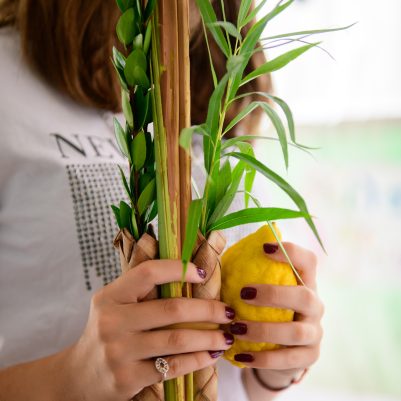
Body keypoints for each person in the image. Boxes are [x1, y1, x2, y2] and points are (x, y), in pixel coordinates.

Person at [0, 0, 324, 400]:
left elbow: (237, 380)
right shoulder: (9, 81)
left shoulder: (217, 68)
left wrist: (277, 362)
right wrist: (74, 376)